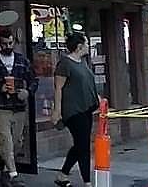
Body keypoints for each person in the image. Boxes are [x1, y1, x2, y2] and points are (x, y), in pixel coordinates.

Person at [0, 28, 38, 187]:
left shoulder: (22, 60)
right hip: (0, 106)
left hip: (19, 106)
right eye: (4, 44)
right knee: (4, 139)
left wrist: (27, 92)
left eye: (10, 43)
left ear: (14, 42)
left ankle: (6, 171)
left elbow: (34, 80)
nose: (7, 46)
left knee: (17, 141)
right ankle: (14, 174)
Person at [52, 33, 100, 187]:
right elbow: (58, 88)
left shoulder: (83, 62)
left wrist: (97, 97)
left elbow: (86, 83)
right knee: (83, 145)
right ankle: (87, 182)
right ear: (79, 47)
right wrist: (57, 111)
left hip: (86, 108)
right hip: (72, 110)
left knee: (80, 144)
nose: (88, 46)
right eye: (86, 43)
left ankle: (63, 174)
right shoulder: (65, 64)